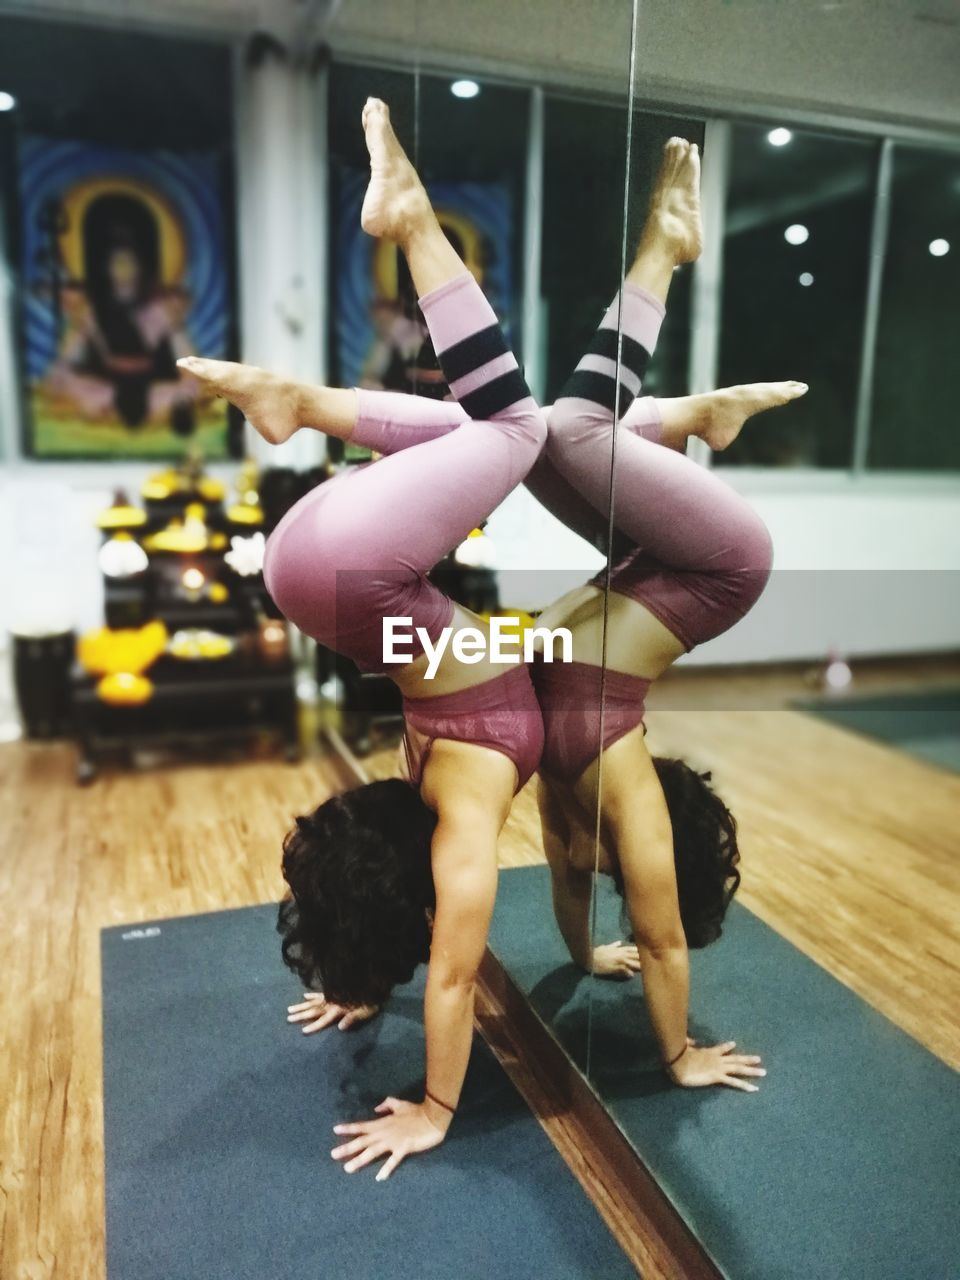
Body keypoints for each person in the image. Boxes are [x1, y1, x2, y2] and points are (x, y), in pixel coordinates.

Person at [246, 137, 805, 1095]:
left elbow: (528, 918)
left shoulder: (533, 784)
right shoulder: (600, 785)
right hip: (720, 568)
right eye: (633, 861)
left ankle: (671, 408)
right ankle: (650, 285)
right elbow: (663, 945)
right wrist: (676, 1059)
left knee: (535, 434)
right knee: (548, 431)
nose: (605, 866)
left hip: (615, 581)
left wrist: (374, 984)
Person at [178, 98, 547, 1180]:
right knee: (499, 430)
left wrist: (438, 1103)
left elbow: (451, 973)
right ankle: (300, 397)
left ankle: (414, 225)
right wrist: (357, 981)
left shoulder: (461, 805)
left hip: (346, 561)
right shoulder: (428, 782)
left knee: (517, 429)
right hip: (325, 557)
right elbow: (427, 954)